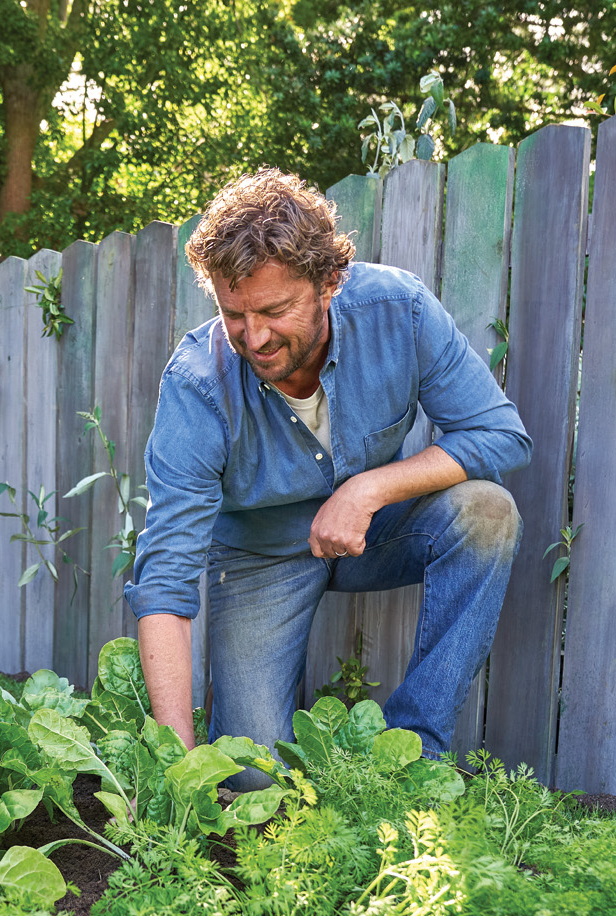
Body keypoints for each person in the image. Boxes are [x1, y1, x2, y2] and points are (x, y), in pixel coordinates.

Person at [125, 168, 530, 788]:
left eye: (275, 310)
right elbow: (165, 578)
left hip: (372, 531)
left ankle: (413, 757)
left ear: (329, 282)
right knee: (252, 779)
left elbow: (500, 433)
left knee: (488, 511)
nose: (255, 337)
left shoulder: (399, 312)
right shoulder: (198, 385)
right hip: (259, 556)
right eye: (234, 314)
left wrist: (368, 489)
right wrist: (176, 768)